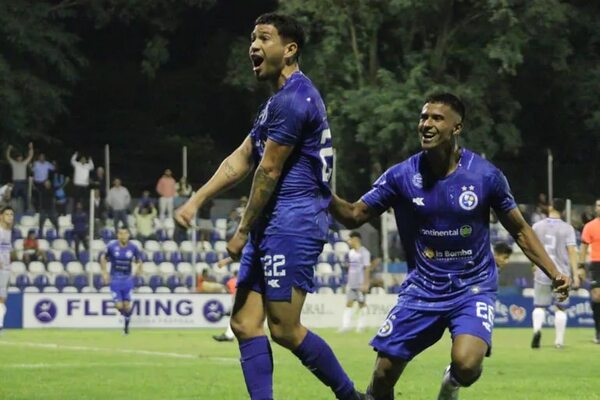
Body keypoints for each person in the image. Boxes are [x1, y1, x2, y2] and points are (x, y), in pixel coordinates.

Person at [328, 93, 570, 400]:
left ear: (457, 127)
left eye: (436, 118)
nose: (426, 124)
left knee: (467, 365)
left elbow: (520, 230)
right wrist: (321, 190)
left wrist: (554, 272)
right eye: (423, 117)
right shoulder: (401, 175)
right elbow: (353, 215)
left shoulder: (485, 176)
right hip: (422, 289)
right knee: (382, 374)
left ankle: (450, 384)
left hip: (472, 287)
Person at [175, 13, 367, 400]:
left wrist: (242, 231)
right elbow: (242, 157)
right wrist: (197, 198)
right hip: (273, 224)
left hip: (293, 222)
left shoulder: (296, 99)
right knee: (245, 323)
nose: (254, 46)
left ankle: (350, 396)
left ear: (290, 49)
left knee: (284, 329)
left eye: (264, 38)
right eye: (252, 38)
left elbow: (269, 170)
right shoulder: (274, 104)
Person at [531, 198, 580, 349]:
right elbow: (572, 251)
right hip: (561, 274)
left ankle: (537, 331)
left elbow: (531, 248)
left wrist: (533, 266)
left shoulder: (537, 226)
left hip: (542, 271)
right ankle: (558, 341)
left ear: (550, 208)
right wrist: (575, 274)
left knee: (539, 306)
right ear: (564, 211)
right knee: (560, 307)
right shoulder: (567, 228)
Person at [100, 227, 143, 335]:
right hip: (115, 279)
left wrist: (139, 269)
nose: (123, 236)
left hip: (127, 279)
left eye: (125, 233)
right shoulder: (111, 246)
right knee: (119, 306)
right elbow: (103, 258)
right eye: (120, 234)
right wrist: (104, 273)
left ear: (128, 235)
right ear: (118, 235)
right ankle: (126, 316)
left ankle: (126, 328)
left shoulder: (133, 247)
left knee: (127, 305)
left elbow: (139, 260)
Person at [339, 231, 371, 333]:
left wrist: (366, 283)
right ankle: (345, 326)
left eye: (350, 239)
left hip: (360, 283)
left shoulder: (365, 253)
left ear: (355, 239)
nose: (348, 242)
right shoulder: (351, 253)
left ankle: (361, 326)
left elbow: (367, 268)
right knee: (349, 303)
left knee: (362, 304)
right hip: (351, 283)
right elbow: (350, 269)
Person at [579, 198, 600, 344]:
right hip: (596, 264)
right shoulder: (589, 227)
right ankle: (598, 331)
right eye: (599, 205)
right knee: (596, 297)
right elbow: (584, 248)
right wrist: (580, 267)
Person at [6, 142, 33, 212]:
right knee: (14, 198)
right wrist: (9, 149)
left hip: (23, 182)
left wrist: (31, 148)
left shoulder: (24, 163)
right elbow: (8, 157)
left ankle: (26, 210)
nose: (20, 158)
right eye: (19, 157)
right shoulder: (14, 163)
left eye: (21, 157)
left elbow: (30, 156)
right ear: (17, 158)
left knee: (26, 197)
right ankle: (12, 211)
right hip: (16, 182)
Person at [0, 206, 15, 334]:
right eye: (7, 214)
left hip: (5, 268)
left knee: (2, 298)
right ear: (1, 216)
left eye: (11, 214)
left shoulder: (8, 231)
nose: (10, 216)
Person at [214, 268, 238, 343]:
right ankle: (229, 335)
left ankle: (229, 335)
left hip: (237, 298)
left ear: (234, 274)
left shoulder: (231, 281)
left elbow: (226, 288)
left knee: (233, 316)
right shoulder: (243, 280)